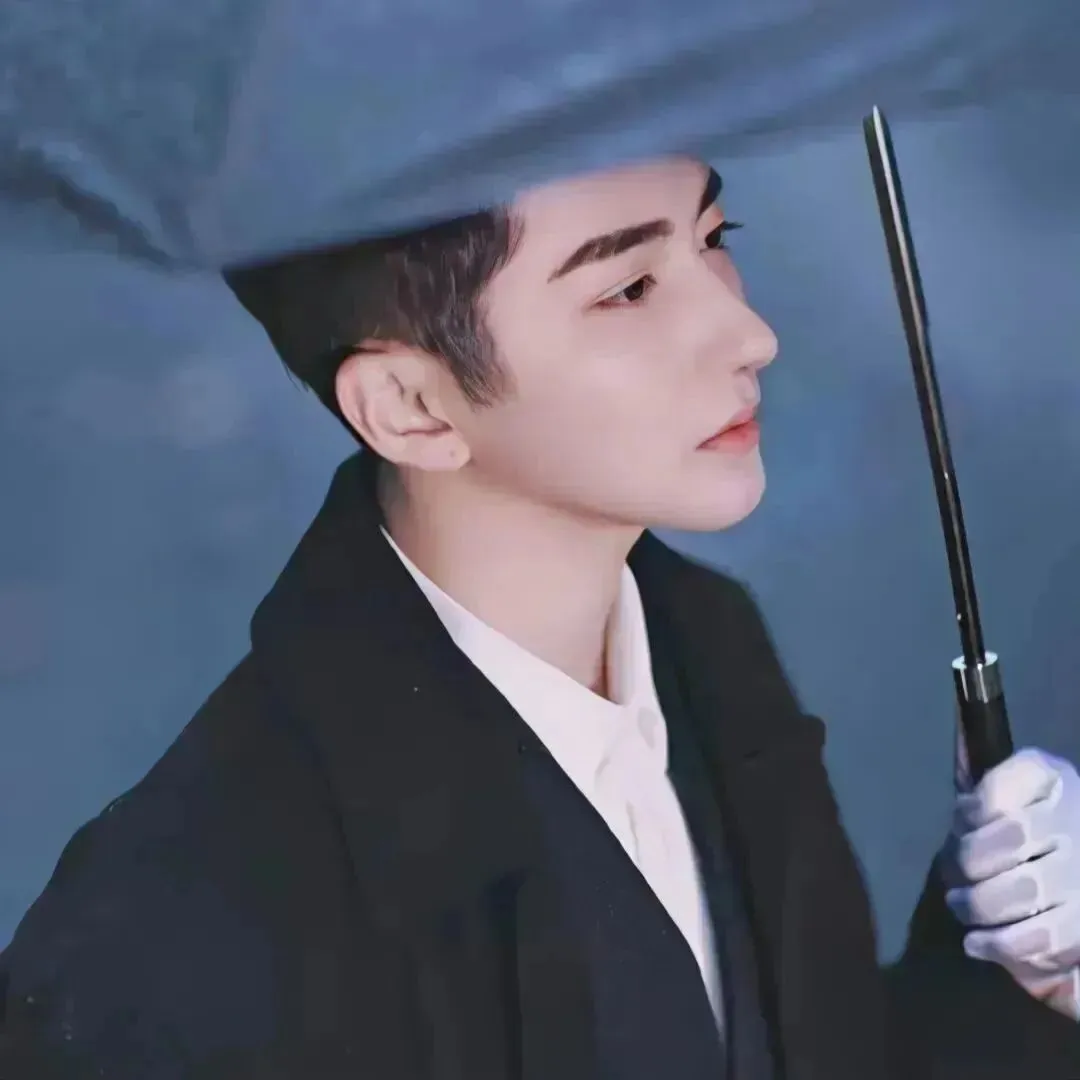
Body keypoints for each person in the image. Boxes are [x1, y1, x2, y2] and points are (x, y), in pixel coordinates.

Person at [2, 156, 1080, 1080]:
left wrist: (1017, 970)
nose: (750, 333)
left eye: (715, 237)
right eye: (628, 288)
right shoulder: (172, 938)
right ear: (412, 407)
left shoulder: (707, 651)